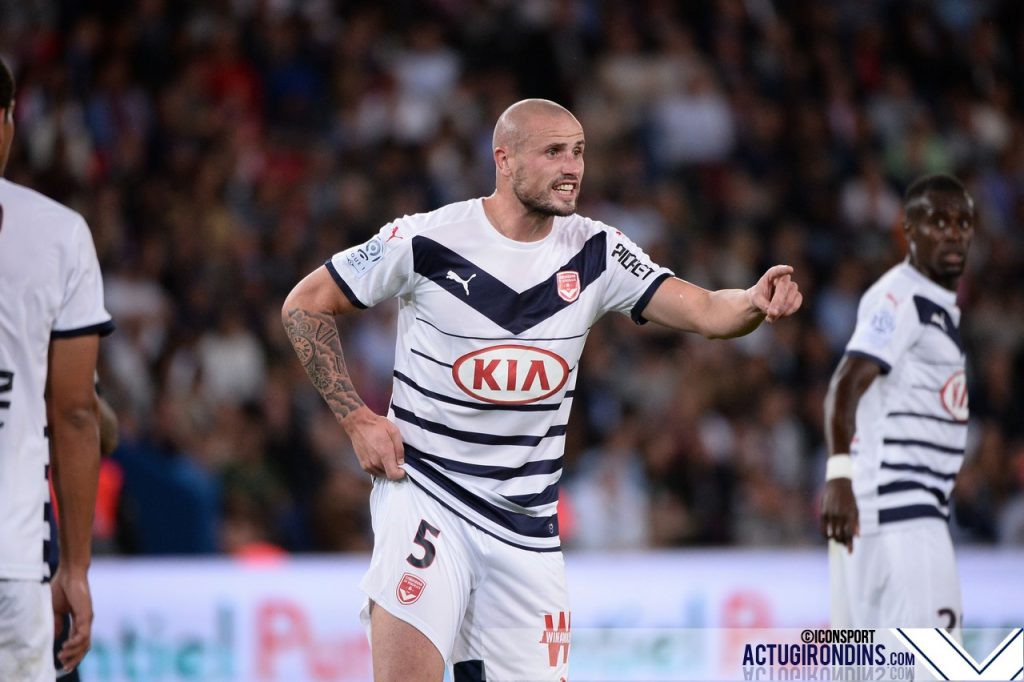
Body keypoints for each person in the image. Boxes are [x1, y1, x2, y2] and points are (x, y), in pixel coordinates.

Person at [283, 98, 802, 682]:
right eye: (554, 151)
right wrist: (357, 419)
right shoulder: (424, 240)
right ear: (504, 160)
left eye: (579, 151)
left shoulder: (598, 251)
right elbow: (304, 305)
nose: (572, 166)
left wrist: (753, 301)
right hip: (429, 496)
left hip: (528, 529)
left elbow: (708, 311)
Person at [0, 58, 114, 681]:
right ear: (9, 119)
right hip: (11, 557)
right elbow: (74, 411)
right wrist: (75, 568)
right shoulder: (56, 234)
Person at [821, 174, 974, 635]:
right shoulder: (905, 296)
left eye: (963, 222)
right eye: (937, 221)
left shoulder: (931, 304)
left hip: (888, 515)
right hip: (903, 516)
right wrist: (839, 477)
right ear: (908, 229)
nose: (953, 232)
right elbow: (846, 382)